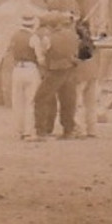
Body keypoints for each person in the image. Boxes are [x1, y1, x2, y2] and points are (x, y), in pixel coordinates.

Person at [32, 11, 82, 139]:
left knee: (41, 98)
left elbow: (43, 55)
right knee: (68, 100)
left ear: (50, 26)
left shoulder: (48, 38)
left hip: (55, 70)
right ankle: (68, 130)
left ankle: (41, 131)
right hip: (70, 69)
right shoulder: (73, 35)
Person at [6, 13, 43, 141]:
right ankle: (28, 131)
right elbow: (40, 58)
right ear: (33, 24)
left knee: (17, 102)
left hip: (17, 69)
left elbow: (9, 51)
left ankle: (17, 130)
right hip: (30, 68)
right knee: (30, 102)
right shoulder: (33, 38)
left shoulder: (14, 36)